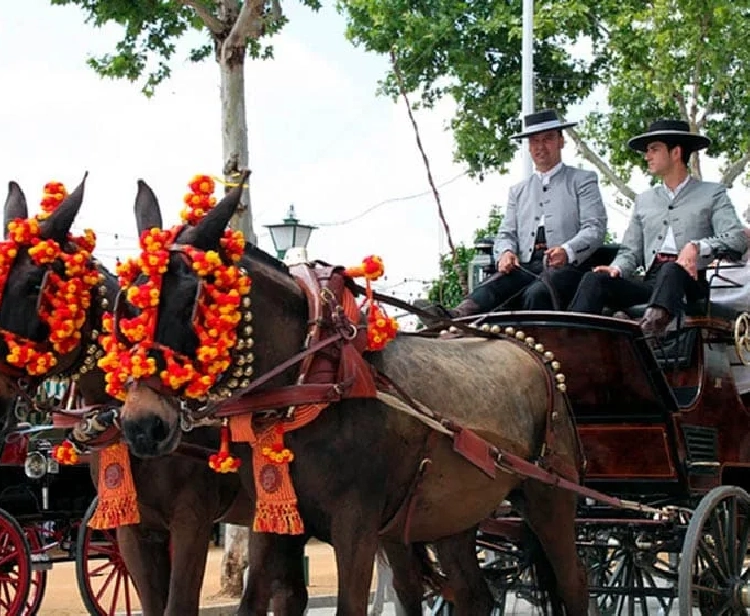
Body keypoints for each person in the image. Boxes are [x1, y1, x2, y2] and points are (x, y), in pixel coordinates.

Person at [568, 119, 748, 335]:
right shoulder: (644, 200)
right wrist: (616, 268)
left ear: (676, 152)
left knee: (672, 269)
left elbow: (737, 237)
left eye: (654, 149)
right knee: (594, 279)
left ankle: (646, 336)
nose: (647, 156)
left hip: (689, 284)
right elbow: (630, 252)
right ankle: (569, 345)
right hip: (652, 282)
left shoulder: (712, 193)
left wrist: (697, 247)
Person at [426, 109, 607, 321]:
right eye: (534, 141)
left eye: (547, 139)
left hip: (568, 267)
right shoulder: (518, 191)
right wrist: (505, 253)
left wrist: (567, 250)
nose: (540, 147)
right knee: (493, 287)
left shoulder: (582, 180)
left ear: (561, 141)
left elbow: (594, 228)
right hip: (528, 264)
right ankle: (455, 317)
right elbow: (506, 233)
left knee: (536, 295)